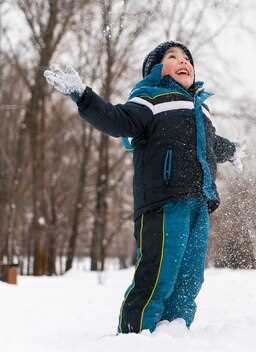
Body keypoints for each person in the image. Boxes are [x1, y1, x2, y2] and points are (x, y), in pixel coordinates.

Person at [44, 41, 242, 334]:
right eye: (172, 57)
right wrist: (83, 96)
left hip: (200, 201)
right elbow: (119, 121)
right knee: (160, 273)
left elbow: (209, 143)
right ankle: (135, 334)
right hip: (163, 202)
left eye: (187, 58)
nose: (183, 61)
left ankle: (173, 331)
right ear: (156, 70)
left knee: (190, 278)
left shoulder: (202, 108)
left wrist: (232, 150)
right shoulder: (151, 97)